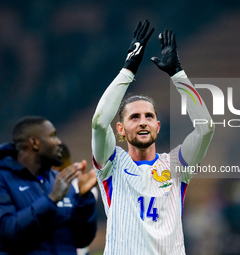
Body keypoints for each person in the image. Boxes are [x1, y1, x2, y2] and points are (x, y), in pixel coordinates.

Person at [91, 20, 215, 254]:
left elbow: (206, 128)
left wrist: (178, 74)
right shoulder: (111, 165)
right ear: (120, 129)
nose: (143, 122)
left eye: (148, 116)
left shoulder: (177, 164)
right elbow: (99, 121)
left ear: (157, 126)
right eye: (134, 117)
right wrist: (128, 69)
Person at [0, 116, 97, 255]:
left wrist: (84, 200)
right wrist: (51, 200)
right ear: (34, 143)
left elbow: (81, 239)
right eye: (53, 136)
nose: (59, 142)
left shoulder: (58, 180)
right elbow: (4, 232)